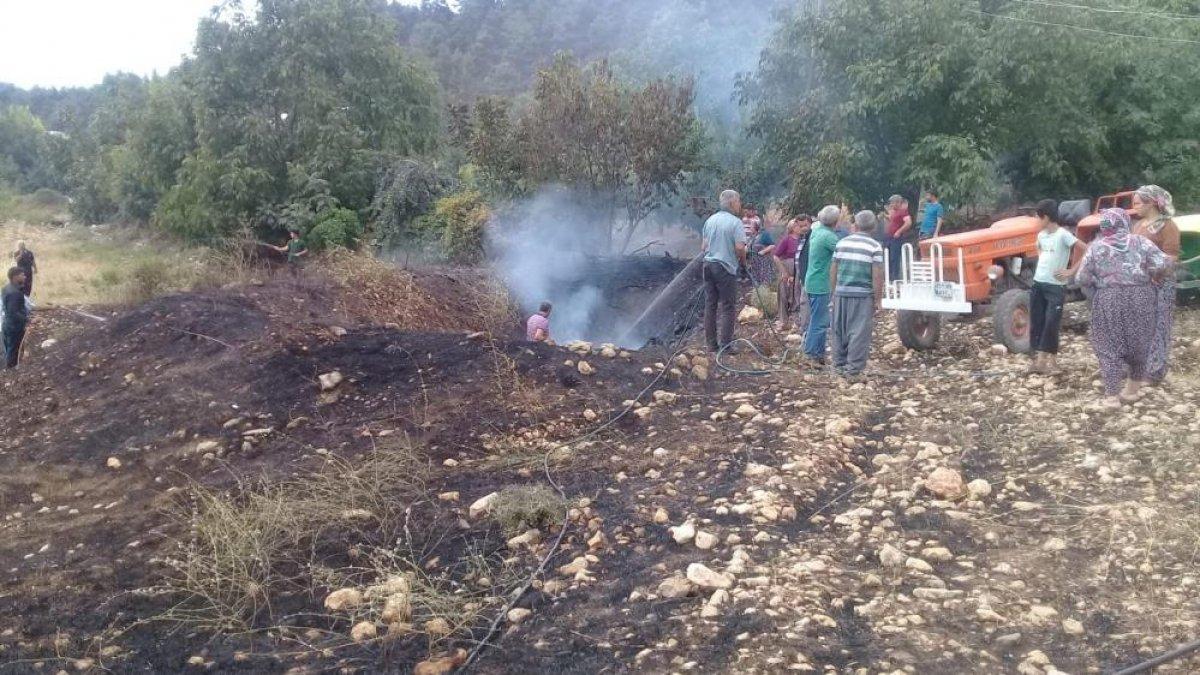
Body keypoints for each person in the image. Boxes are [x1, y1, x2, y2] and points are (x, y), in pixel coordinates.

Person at [1074, 208, 1170, 408]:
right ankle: (1131, 391)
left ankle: (1111, 396)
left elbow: (1081, 278)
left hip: (1108, 298)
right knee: (1140, 342)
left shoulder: (1095, 247)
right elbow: (1164, 263)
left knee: (1107, 344)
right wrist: (1151, 274)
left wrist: (1099, 282)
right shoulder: (1141, 242)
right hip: (1141, 297)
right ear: (1124, 222)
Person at [1028, 199, 1086, 374]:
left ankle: (1052, 363)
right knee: (1037, 321)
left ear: (1046, 217)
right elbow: (1039, 250)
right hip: (1039, 283)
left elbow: (1085, 249)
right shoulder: (1041, 235)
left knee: (1051, 323)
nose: (1036, 222)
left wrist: (1071, 271)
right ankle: (1039, 362)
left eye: (1038, 218)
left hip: (1056, 286)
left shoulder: (1063, 234)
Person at [1131, 185, 1181, 385]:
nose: (1134, 207)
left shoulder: (1167, 226)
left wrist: (1156, 271)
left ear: (1151, 203)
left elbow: (1172, 256)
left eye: (1137, 203)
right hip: (1141, 283)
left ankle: (1155, 372)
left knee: (1159, 326)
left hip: (1161, 283)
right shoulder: (1138, 226)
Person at [830, 211, 885, 377]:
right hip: (862, 295)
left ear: (856, 224)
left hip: (841, 292)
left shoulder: (842, 243)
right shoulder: (875, 246)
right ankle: (853, 370)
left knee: (839, 329)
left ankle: (838, 365)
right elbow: (877, 275)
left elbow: (833, 270)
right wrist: (878, 299)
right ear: (873, 226)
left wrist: (834, 292)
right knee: (859, 331)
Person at [701, 190, 747, 352]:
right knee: (728, 306)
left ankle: (711, 344)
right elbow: (740, 247)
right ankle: (726, 345)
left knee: (710, 304)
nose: (740, 204)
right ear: (732, 203)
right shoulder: (735, 223)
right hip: (725, 267)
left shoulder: (710, 220)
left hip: (708, 265)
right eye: (739, 201)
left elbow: (703, 247)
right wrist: (743, 261)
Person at [802, 205, 840, 363]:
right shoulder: (829, 237)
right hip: (821, 284)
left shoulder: (816, 231)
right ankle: (811, 354)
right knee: (820, 321)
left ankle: (817, 352)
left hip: (811, 280)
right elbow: (843, 252)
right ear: (835, 221)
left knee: (817, 319)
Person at [772, 217, 807, 331]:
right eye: (798, 226)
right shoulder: (787, 240)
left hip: (798, 270)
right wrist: (784, 272)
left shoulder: (803, 240)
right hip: (788, 269)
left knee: (797, 295)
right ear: (792, 228)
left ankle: (796, 322)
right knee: (783, 294)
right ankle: (783, 321)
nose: (800, 228)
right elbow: (776, 256)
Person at [2, 267, 29, 369]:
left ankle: (9, 371)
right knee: (13, 350)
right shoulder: (15, 293)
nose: (25, 277)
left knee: (9, 349)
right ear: (15, 277)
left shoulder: (6, 288)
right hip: (14, 326)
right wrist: (28, 320)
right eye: (22, 275)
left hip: (7, 324)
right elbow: (14, 312)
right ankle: (11, 373)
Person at [884, 195, 912, 281]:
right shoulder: (894, 212)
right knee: (888, 258)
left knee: (894, 258)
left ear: (897, 202)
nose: (891, 205)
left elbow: (908, 223)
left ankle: (895, 278)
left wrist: (899, 232)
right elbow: (893, 220)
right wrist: (884, 216)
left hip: (896, 239)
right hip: (889, 238)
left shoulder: (903, 211)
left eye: (892, 203)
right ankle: (889, 277)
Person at [744, 213, 776, 285]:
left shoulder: (764, 235)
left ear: (756, 227)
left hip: (763, 263)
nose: (750, 228)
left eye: (751, 226)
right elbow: (747, 247)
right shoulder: (752, 237)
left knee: (764, 282)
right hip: (754, 263)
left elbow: (772, 245)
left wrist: (763, 251)